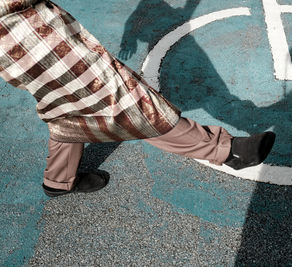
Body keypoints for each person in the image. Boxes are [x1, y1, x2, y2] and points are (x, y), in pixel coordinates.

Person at [0, 0, 275, 197]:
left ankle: (57, 180)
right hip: (26, 33)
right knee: (121, 100)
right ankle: (228, 150)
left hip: (24, 32)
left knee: (68, 105)